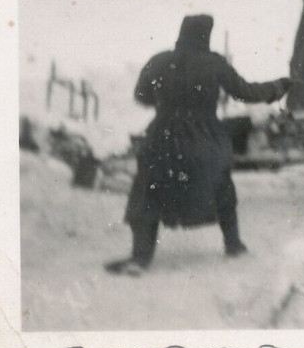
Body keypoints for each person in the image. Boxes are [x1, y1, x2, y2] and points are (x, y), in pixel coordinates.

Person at [105, 14, 291, 276]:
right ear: (206, 35)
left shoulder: (158, 61)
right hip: (204, 137)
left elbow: (141, 95)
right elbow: (246, 92)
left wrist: (166, 104)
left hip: (162, 136)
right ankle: (234, 245)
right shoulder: (215, 64)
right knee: (221, 187)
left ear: (181, 33)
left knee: (149, 191)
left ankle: (139, 258)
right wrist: (279, 87)